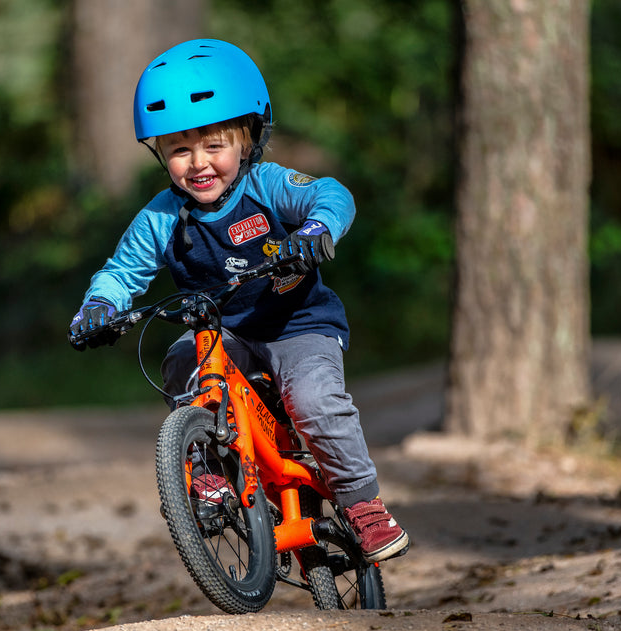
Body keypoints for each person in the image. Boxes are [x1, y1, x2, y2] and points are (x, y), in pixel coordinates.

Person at [68, 39, 408, 563]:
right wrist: (98, 309)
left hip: (298, 325)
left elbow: (332, 194)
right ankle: (205, 475)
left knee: (316, 401)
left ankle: (363, 504)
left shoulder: (268, 185)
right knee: (183, 360)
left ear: (249, 139)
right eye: (180, 149)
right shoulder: (161, 217)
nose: (198, 164)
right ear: (159, 154)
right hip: (222, 332)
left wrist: (316, 229)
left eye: (214, 145)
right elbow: (122, 272)